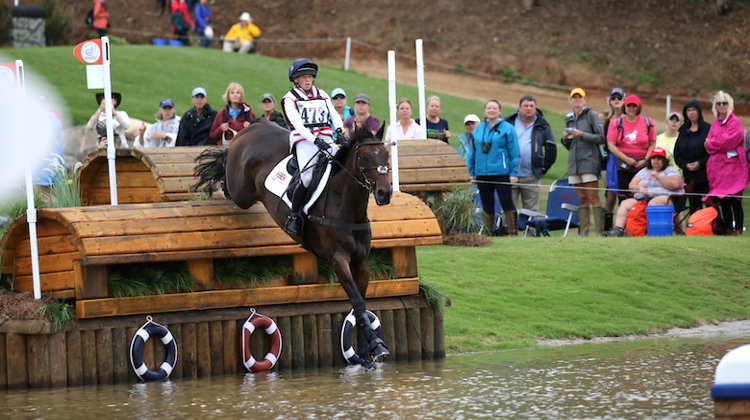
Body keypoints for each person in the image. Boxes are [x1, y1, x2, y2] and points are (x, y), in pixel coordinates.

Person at [280, 59, 345, 236]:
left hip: (325, 137)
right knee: (307, 177)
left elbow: (334, 114)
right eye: (303, 77)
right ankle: (294, 216)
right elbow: (298, 125)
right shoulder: (290, 99)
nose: (308, 80)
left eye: (310, 77)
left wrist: (339, 130)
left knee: (343, 166)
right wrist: (315, 140)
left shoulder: (322, 94)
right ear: (295, 79)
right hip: (304, 140)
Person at [466, 99, 520, 236]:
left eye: (494, 108)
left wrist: (513, 172)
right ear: (485, 110)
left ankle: (513, 231)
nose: (491, 110)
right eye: (489, 108)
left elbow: (514, 152)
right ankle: (487, 231)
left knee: (506, 201)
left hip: (501, 171)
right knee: (486, 203)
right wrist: (471, 171)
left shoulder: (508, 128)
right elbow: (473, 151)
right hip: (482, 172)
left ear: (500, 111)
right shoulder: (478, 129)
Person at [603, 147, 685, 236]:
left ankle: (650, 230)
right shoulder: (644, 171)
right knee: (625, 203)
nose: (656, 161)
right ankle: (618, 229)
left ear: (664, 160)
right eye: (654, 158)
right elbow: (631, 185)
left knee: (654, 202)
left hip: (666, 199)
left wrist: (658, 176)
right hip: (643, 198)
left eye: (659, 158)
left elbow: (676, 185)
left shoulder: (670, 170)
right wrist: (639, 188)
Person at [562, 88, 606, 236]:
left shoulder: (592, 115)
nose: (577, 100)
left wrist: (582, 135)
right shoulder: (568, 118)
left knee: (593, 197)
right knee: (581, 198)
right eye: (574, 98)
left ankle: (599, 233)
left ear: (584, 99)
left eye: (579, 97)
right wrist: (564, 139)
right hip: (574, 164)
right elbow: (569, 145)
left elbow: (601, 138)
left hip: (589, 161)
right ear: (570, 100)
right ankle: (584, 233)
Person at [704, 91, 749, 235]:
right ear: (715, 106)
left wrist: (714, 143)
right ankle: (728, 229)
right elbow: (708, 143)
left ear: (730, 104)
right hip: (718, 168)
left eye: (724, 103)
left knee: (735, 199)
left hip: (733, 168)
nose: (722, 105)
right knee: (723, 201)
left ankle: (738, 230)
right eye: (718, 103)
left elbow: (730, 141)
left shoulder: (735, 122)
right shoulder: (715, 123)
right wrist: (715, 142)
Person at [505, 95, 557, 212]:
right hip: (510, 175)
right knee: (508, 211)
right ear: (519, 107)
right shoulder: (509, 122)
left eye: (531, 106)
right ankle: (509, 231)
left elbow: (551, 149)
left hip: (531, 177)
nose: (529, 108)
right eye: (525, 106)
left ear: (535, 108)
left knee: (531, 212)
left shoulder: (543, 125)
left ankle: (530, 231)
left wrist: (542, 169)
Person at [606, 95, 656, 201]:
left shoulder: (648, 122)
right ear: (625, 106)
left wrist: (646, 160)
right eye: (629, 106)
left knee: (642, 196)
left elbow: (652, 143)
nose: (632, 108)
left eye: (634, 106)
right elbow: (611, 145)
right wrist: (628, 160)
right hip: (623, 166)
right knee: (624, 198)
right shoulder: (616, 123)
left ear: (639, 107)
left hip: (642, 166)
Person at [674, 99, 711, 215]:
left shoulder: (708, 128)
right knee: (693, 205)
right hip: (689, 174)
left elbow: (712, 151)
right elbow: (677, 153)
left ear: (699, 111)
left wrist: (700, 163)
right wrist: (685, 165)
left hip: (705, 173)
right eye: (688, 110)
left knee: (710, 204)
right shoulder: (683, 130)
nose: (692, 113)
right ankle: (694, 227)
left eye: (694, 110)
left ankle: (714, 227)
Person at [599, 87, 626, 230]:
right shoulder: (605, 119)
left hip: (624, 159)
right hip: (607, 160)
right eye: (613, 98)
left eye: (619, 98)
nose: (616, 100)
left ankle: (622, 227)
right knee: (609, 195)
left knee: (624, 194)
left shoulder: (629, 117)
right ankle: (606, 229)